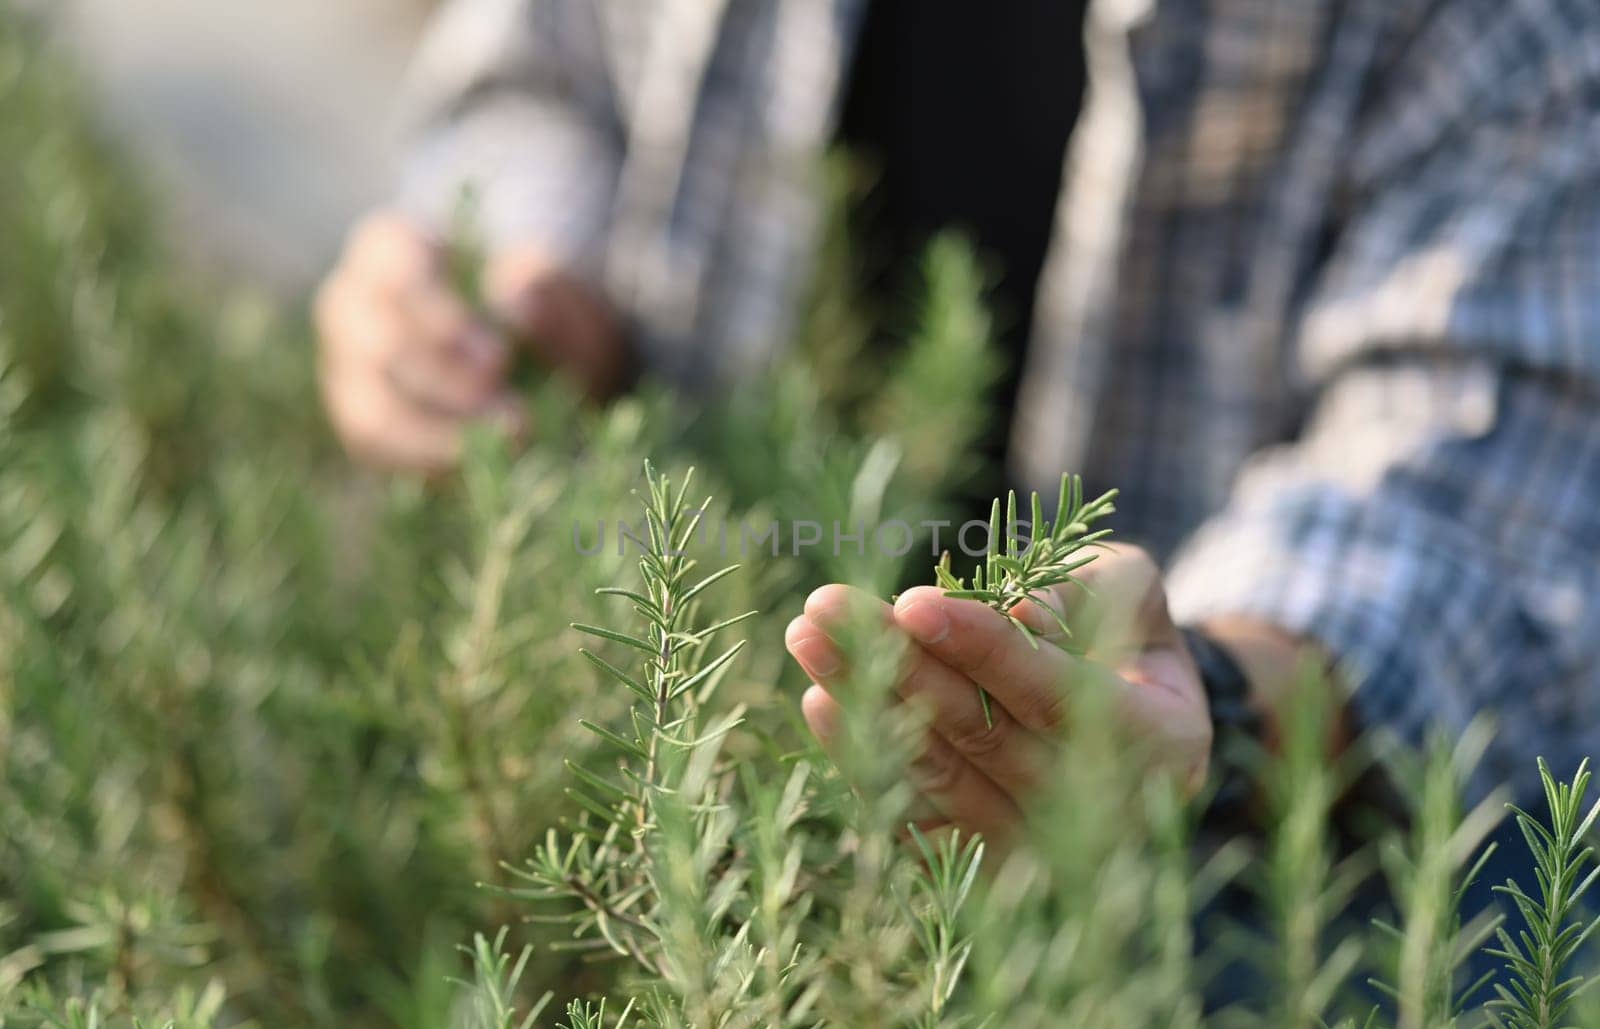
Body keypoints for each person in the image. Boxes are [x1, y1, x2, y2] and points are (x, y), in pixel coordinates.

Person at [316, 0, 1600, 843]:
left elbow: (1483, 485)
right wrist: (521, 288)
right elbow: (541, 77)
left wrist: (1218, 686)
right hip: (665, 738)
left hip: (1216, 847)